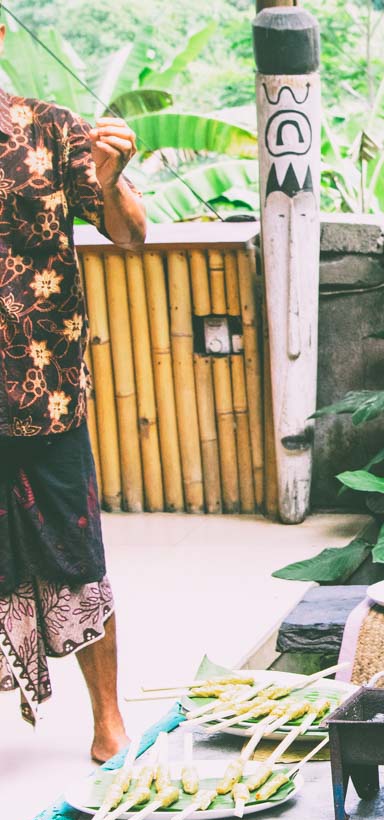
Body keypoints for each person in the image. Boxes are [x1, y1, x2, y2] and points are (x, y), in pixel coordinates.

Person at [0, 16, 148, 761]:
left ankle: (108, 718)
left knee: (78, 552)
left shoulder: (53, 130)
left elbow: (130, 234)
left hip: (47, 395)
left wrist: (111, 180)